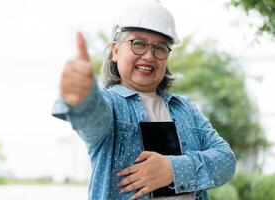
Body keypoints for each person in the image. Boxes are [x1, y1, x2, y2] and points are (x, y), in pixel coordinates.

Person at [52, 1, 236, 199]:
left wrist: (172, 169)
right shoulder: (110, 104)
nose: (149, 56)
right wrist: (83, 97)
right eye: (138, 43)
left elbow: (226, 161)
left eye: (160, 48)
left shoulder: (185, 108)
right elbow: (92, 119)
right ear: (115, 51)